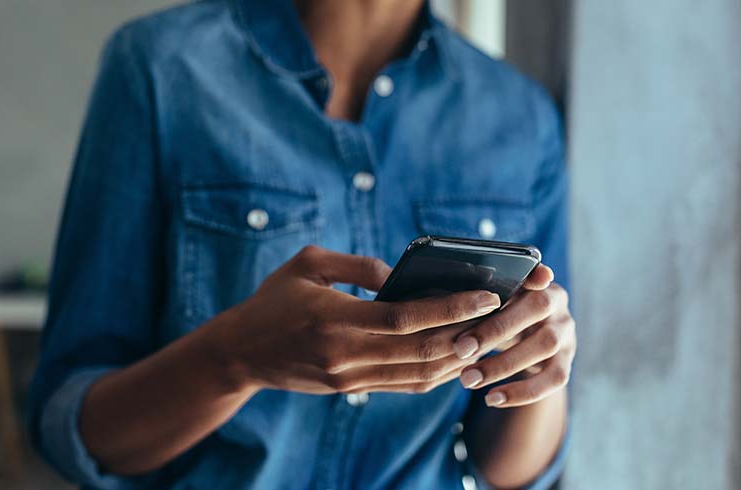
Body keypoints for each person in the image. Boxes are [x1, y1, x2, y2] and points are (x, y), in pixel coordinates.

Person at [30, 0, 576, 488]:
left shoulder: (521, 118)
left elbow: (506, 474)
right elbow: (77, 428)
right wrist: (235, 357)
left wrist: (539, 372)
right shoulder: (161, 67)